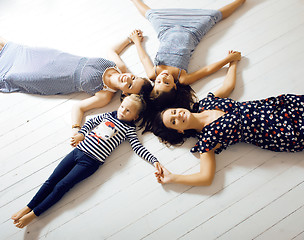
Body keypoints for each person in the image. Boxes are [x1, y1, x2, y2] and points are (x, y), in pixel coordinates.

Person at [11, 94, 162, 228]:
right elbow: (91, 122)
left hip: (90, 162)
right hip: (77, 151)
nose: (122, 110)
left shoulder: (129, 129)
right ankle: (28, 207)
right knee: (52, 180)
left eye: (128, 110)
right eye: (122, 106)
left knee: (61, 186)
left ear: (135, 117)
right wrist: (81, 134)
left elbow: (138, 148)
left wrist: (154, 161)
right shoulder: (109, 115)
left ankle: (33, 215)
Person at [152, 56, 304, 186]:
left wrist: (232, 63)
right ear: (179, 130)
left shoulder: (205, 103)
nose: (178, 115)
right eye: (174, 121)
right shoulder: (207, 139)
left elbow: (228, 87)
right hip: (275, 131)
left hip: (276, 107)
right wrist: (173, 178)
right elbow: (206, 177)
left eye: (174, 112)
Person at [0, 33, 152, 135]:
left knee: (15, 74)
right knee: (19, 51)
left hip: (53, 77)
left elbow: (79, 107)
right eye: (133, 77)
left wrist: (76, 129)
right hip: (58, 58)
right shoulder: (120, 67)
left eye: (130, 85)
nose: (127, 79)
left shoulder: (105, 95)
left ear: (125, 94)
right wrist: (129, 39)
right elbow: (111, 50)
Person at [129, 0, 245, 110]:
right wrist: (228, 59)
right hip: (192, 32)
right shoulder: (182, 78)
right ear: (174, 86)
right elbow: (207, 70)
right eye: (167, 82)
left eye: (159, 82)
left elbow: (144, 58)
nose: (163, 78)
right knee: (214, 16)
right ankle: (240, 1)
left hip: (166, 29)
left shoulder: (153, 73)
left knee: (151, 15)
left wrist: (137, 42)